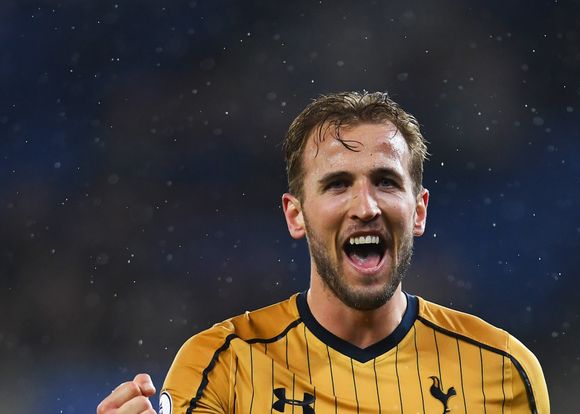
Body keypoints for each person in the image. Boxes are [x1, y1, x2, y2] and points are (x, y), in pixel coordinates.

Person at [97, 91, 550, 414]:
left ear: (418, 210)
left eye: (386, 181)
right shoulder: (222, 365)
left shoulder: (504, 371)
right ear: (296, 216)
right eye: (338, 185)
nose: (366, 207)